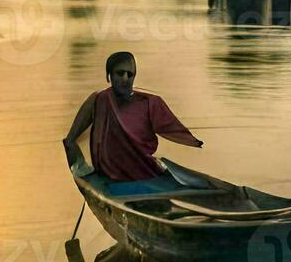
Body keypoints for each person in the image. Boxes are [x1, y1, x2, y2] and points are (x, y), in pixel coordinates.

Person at [63, 52, 203, 183]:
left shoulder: (150, 103)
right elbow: (70, 140)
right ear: (108, 76)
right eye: (120, 73)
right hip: (109, 173)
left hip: (144, 170)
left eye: (130, 74)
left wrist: (194, 142)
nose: (125, 78)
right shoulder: (99, 100)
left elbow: (171, 128)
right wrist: (82, 171)